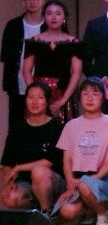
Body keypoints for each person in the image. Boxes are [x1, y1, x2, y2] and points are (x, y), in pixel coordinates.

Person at [55, 78, 108, 225]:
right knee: (67, 211)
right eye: (85, 94)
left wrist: (92, 179)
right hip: (77, 179)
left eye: (95, 94)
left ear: (103, 97)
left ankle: (102, 214)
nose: (90, 98)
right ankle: (90, 210)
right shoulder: (71, 126)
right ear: (79, 98)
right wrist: (70, 183)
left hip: (105, 180)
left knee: (86, 185)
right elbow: (67, 160)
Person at [0, 81, 64, 212]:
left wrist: (18, 168)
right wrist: (9, 183)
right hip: (25, 182)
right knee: (10, 198)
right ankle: (34, 212)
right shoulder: (18, 128)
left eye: (40, 98)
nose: (34, 102)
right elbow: (7, 163)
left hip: (51, 182)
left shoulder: (56, 126)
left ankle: (46, 214)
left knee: (38, 172)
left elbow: (48, 162)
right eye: (30, 97)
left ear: (47, 101)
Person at [21, 0, 82, 122]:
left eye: (58, 13)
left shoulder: (74, 42)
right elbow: (26, 70)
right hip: (39, 91)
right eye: (49, 13)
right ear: (44, 17)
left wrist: (63, 100)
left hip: (63, 92)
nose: (53, 17)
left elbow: (76, 73)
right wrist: (34, 94)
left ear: (64, 17)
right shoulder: (34, 41)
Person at [2, 0, 46, 131]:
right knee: (16, 127)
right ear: (23, 1)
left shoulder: (50, 25)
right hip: (17, 86)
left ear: (43, 0)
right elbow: (6, 56)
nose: (32, 2)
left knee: (42, 126)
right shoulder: (13, 25)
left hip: (44, 85)